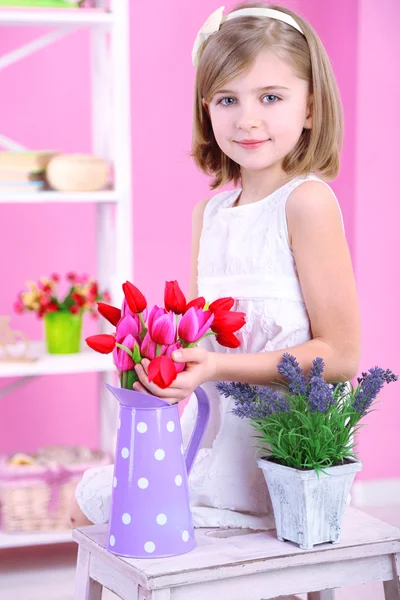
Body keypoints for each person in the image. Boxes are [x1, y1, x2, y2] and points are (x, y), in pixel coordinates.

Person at [70, 2, 360, 530]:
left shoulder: (306, 203)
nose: (246, 119)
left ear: (311, 107)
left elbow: (340, 356)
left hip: (277, 454)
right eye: (227, 99)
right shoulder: (211, 214)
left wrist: (220, 368)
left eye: (271, 97)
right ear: (207, 109)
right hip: (206, 433)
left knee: (137, 522)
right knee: (84, 502)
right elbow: (202, 339)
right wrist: (164, 368)